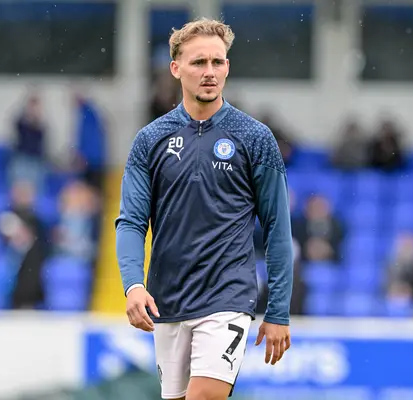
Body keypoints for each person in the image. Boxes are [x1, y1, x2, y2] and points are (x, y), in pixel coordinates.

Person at [115, 18, 294, 400]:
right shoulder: (149, 141)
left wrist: (277, 311)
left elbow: (278, 228)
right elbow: (130, 221)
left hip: (226, 298)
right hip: (168, 300)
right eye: (199, 63)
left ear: (228, 66)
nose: (210, 72)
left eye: (218, 62)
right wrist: (132, 284)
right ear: (176, 69)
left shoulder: (255, 138)